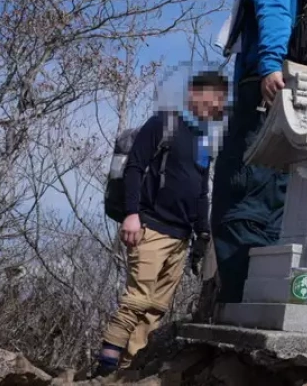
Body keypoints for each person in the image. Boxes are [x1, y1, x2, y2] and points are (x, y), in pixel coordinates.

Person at [210, 0, 307, 308]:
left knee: (240, 192)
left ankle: (239, 303)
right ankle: (270, 297)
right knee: (281, 198)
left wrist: (271, 64)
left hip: (265, 90)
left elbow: (274, 10)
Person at [94, 71, 227, 376]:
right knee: (137, 300)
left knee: (156, 308)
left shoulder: (205, 141)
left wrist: (202, 234)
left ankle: (128, 369)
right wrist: (131, 214)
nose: (218, 105)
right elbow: (135, 168)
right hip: (150, 227)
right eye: (214, 97)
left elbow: (201, 192)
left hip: (181, 237)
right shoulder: (164, 124)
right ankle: (104, 367)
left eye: (222, 101)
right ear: (195, 94)